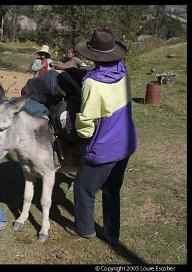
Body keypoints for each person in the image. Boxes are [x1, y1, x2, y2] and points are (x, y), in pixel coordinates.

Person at [54, 29, 138, 246]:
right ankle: (112, 233)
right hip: (126, 141)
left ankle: (85, 229)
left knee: (83, 189)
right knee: (111, 189)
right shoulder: (122, 71)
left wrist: (78, 133)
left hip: (105, 147)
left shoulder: (92, 82)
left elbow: (87, 122)